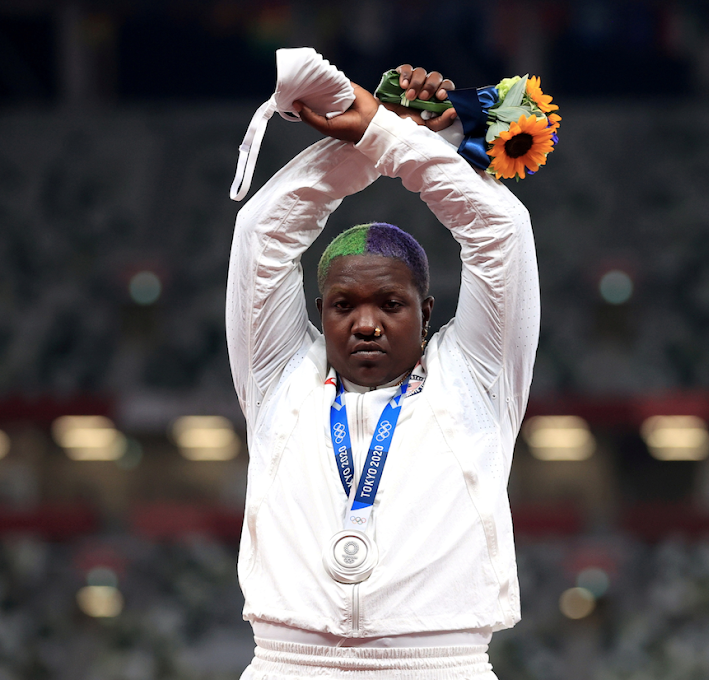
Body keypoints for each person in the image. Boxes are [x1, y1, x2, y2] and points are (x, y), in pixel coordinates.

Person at [226, 66, 540, 679]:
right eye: (345, 305)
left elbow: (500, 232)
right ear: (321, 312)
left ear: (425, 312)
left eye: (389, 305)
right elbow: (262, 233)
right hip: (289, 665)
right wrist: (377, 138)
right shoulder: (278, 374)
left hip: (440, 664)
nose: (366, 324)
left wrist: (391, 138)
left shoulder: (477, 377)